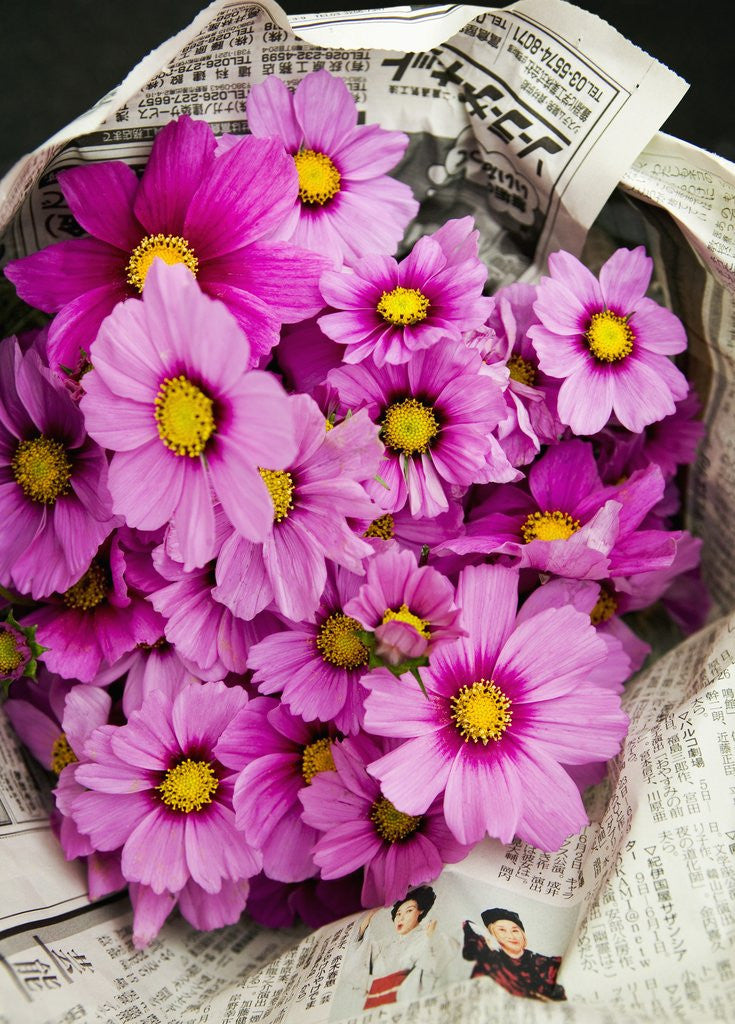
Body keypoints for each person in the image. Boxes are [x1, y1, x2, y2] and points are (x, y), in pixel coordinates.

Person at [339, 886, 460, 1013]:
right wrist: (364, 925)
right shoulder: (385, 944)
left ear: (421, 912)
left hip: (406, 1001)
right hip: (374, 1003)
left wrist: (431, 938)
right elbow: (359, 956)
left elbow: (442, 954)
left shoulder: (426, 936)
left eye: (409, 911)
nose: (401, 918)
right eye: (398, 913)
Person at [462, 907, 566, 1001]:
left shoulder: (543, 963)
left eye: (515, 931)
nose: (511, 936)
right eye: (502, 930)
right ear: (492, 934)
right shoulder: (490, 963)